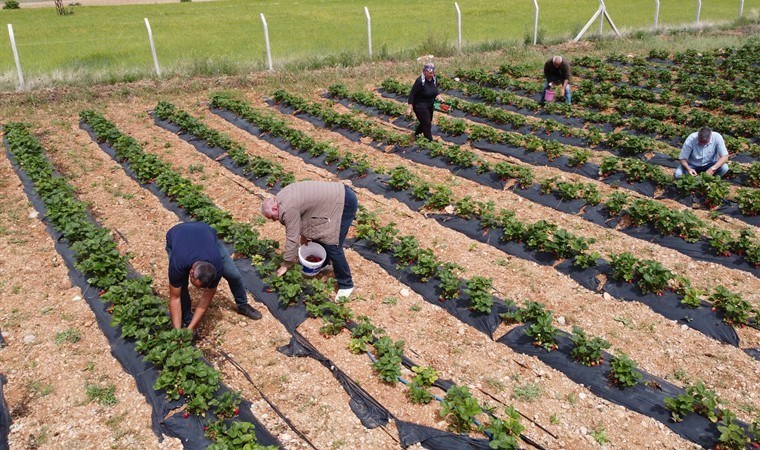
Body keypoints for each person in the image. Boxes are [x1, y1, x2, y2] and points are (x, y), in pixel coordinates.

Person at [261, 181, 358, 301]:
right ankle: (326, 263)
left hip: (344, 203)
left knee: (333, 244)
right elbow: (304, 213)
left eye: (271, 217)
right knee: (322, 233)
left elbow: (292, 238)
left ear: (275, 208)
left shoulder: (286, 208)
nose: (273, 220)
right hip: (335, 198)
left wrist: (286, 264)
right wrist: (304, 235)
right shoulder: (282, 197)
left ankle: (346, 285)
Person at [165, 221, 262, 331]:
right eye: (199, 287)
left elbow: (206, 297)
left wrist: (192, 328)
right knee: (181, 288)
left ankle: (242, 305)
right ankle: (187, 318)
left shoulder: (216, 266)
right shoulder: (178, 262)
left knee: (233, 275)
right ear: (191, 273)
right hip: (178, 234)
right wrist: (177, 332)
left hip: (206, 234)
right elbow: (175, 298)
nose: (202, 290)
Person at [406, 62, 439, 141]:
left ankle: (416, 134)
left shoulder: (434, 79)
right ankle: (430, 141)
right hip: (419, 105)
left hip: (430, 104)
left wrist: (438, 96)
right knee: (427, 123)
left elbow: (434, 90)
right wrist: (409, 108)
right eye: (430, 73)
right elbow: (412, 94)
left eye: (433, 72)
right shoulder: (420, 81)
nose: (432, 74)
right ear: (424, 72)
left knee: (427, 121)